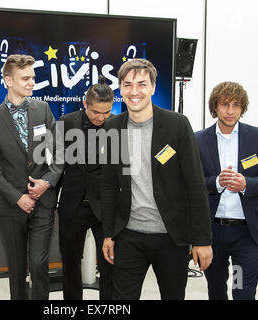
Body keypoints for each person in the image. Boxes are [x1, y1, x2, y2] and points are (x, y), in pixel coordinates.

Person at [101, 58, 213, 300]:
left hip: (171, 237)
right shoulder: (112, 127)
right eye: (127, 84)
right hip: (128, 235)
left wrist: (202, 240)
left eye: (142, 84)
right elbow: (109, 185)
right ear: (120, 88)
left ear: (152, 87)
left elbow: (195, 185)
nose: (134, 92)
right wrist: (108, 233)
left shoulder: (177, 125)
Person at [0, 54, 63, 300]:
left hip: (43, 203)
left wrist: (47, 182)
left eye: (33, 78)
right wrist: (18, 197)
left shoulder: (43, 109)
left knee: (38, 264)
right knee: (17, 269)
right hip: (12, 207)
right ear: (8, 80)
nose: (31, 83)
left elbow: (59, 153)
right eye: (25, 78)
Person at [195, 82, 258, 300]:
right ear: (215, 107)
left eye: (236, 105)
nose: (230, 111)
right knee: (215, 290)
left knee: (241, 291)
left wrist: (246, 185)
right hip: (213, 233)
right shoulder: (198, 140)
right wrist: (216, 182)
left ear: (243, 108)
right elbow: (191, 183)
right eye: (224, 104)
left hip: (246, 234)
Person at [57, 75, 114, 300]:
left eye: (106, 112)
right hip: (73, 205)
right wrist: (50, 204)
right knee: (70, 264)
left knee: (110, 263)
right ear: (85, 104)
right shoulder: (65, 122)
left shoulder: (118, 125)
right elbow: (56, 167)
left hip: (106, 208)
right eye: (95, 112)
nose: (101, 117)